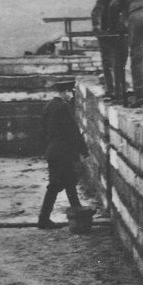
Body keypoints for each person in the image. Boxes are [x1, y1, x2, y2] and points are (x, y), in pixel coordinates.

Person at [37, 79, 89, 229]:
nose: (72, 96)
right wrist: (83, 150)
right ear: (66, 92)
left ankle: (78, 215)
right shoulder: (64, 107)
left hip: (53, 151)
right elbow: (73, 131)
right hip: (63, 153)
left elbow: (42, 131)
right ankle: (44, 219)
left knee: (69, 182)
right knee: (56, 185)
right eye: (71, 93)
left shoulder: (49, 106)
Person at [92, 0, 131, 101]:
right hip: (107, 35)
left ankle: (121, 90)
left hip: (122, 35)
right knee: (108, 63)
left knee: (122, 63)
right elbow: (97, 11)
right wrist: (97, 26)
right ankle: (110, 90)